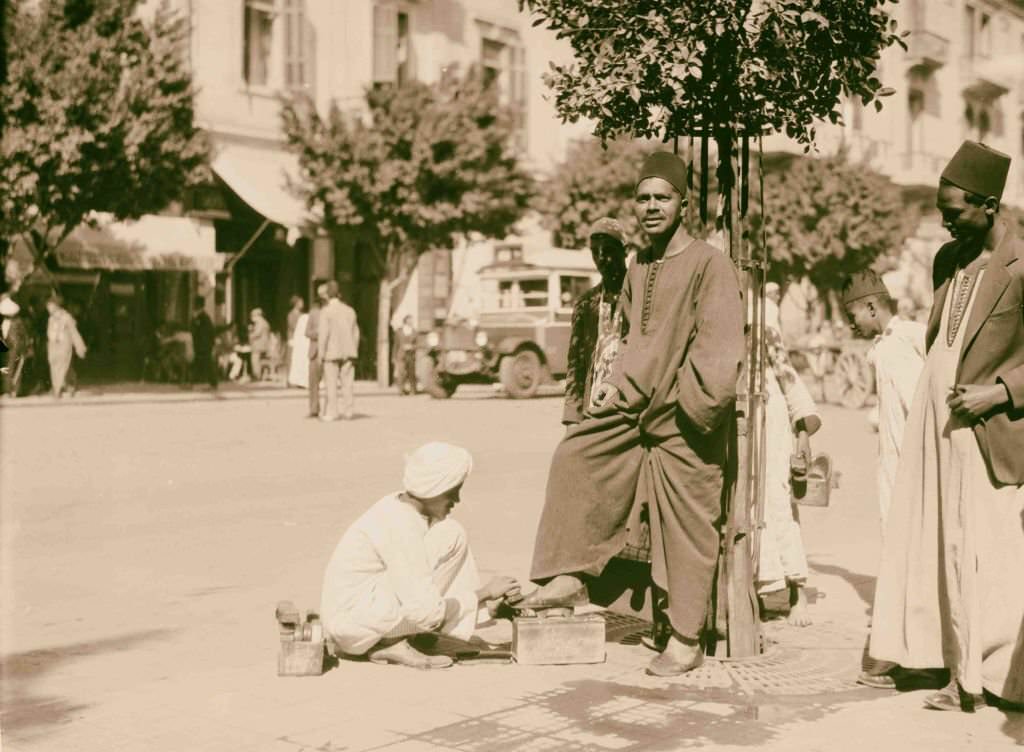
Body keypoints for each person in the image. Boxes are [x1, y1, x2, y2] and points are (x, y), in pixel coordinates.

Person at [519, 151, 745, 677]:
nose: (650, 207)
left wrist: (689, 406)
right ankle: (572, 573)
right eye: (642, 198)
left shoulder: (711, 263)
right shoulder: (639, 264)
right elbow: (631, 340)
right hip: (633, 407)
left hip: (685, 417)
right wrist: (612, 389)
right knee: (575, 456)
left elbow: (718, 349)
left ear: (683, 203)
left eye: (661, 197)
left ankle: (686, 638)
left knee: (687, 526)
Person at [869, 141, 1024, 711]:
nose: (944, 219)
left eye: (954, 210)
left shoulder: (1021, 264)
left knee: (985, 552)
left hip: (985, 427)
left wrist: (999, 393)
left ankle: (990, 677)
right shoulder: (947, 261)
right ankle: (928, 658)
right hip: (933, 427)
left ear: (987, 205)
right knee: (927, 540)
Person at [320, 442, 521, 668]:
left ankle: (427, 631)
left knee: (451, 533)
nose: (457, 500)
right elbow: (424, 612)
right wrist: (484, 594)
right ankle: (391, 643)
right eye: (452, 491)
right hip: (353, 629)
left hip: (359, 615)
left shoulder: (401, 506)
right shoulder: (400, 525)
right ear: (434, 489)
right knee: (425, 610)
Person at [842, 271, 926, 531]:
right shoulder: (882, 346)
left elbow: (915, 402)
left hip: (909, 451)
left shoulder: (902, 339)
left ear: (871, 307)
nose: (852, 325)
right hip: (891, 449)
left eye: (852, 316)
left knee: (906, 521)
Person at [756, 293, 821, 628]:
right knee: (745, 507)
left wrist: (803, 433)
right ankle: (759, 591)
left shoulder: (763, 311)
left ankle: (797, 593)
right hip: (737, 419)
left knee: (779, 501)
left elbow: (786, 375)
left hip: (772, 418)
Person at [563, 217, 629, 426]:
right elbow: (576, 362)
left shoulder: (640, 295)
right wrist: (572, 417)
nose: (602, 258)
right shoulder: (586, 303)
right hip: (594, 407)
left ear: (624, 251)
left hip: (629, 405)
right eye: (595, 251)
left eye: (608, 250)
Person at [317, 281, 360, 421]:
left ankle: (333, 412)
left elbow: (323, 335)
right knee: (348, 383)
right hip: (348, 351)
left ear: (328, 296)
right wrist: (354, 349)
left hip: (331, 352)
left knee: (331, 384)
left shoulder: (326, 312)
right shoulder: (350, 311)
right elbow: (356, 333)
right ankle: (349, 411)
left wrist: (321, 353)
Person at [45, 294, 86, 398]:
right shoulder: (51, 319)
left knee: (63, 366)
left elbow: (74, 332)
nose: (48, 308)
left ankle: (58, 389)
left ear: (56, 306)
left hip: (64, 345)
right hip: (53, 346)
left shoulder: (66, 317)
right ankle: (66, 386)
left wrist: (79, 346)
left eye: (50, 306)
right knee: (55, 367)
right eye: (48, 306)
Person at [304, 282, 328, 417]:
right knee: (313, 383)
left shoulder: (333, 312)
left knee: (330, 382)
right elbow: (307, 332)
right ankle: (314, 409)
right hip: (315, 352)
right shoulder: (313, 313)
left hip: (329, 352)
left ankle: (328, 409)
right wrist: (318, 334)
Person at [1, 294, 31, 397]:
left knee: (14, 370)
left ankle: (13, 391)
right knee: (8, 370)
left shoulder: (18, 322)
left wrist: (23, 349)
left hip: (15, 349)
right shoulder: (5, 322)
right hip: (8, 349)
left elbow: (24, 336)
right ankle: (8, 391)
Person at [191, 297, 218, 390]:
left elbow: (197, 331)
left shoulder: (201, 317)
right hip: (205, 344)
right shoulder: (205, 317)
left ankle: (212, 382)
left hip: (203, 345)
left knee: (206, 363)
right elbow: (212, 332)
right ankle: (196, 382)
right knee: (202, 363)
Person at [393, 316, 419, 396]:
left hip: (411, 355)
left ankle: (413, 390)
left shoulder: (414, 332)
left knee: (411, 373)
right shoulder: (399, 331)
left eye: (412, 320)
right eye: (410, 320)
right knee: (401, 373)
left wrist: (412, 347)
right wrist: (393, 357)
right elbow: (396, 345)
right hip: (401, 354)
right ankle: (401, 390)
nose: (411, 321)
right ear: (405, 321)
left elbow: (418, 344)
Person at [247, 307, 271, 382]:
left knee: (255, 359)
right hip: (263, 344)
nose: (251, 318)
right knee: (257, 359)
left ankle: (256, 374)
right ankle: (259, 374)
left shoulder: (260, 323)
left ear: (257, 315)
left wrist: (250, 334)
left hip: (259, 345)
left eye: (252, 316)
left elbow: (257, 333)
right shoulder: (264, 322)